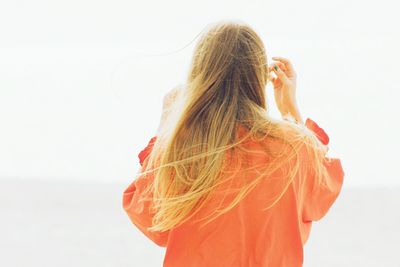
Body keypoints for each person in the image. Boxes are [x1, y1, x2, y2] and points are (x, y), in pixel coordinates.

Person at [122, 20, 345, 267]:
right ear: (259, 77)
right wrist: (290, 111)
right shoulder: (295, 148)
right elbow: (320, 192)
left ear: (200, 76)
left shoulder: (183, 151)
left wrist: (167, 127)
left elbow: (149, 217)